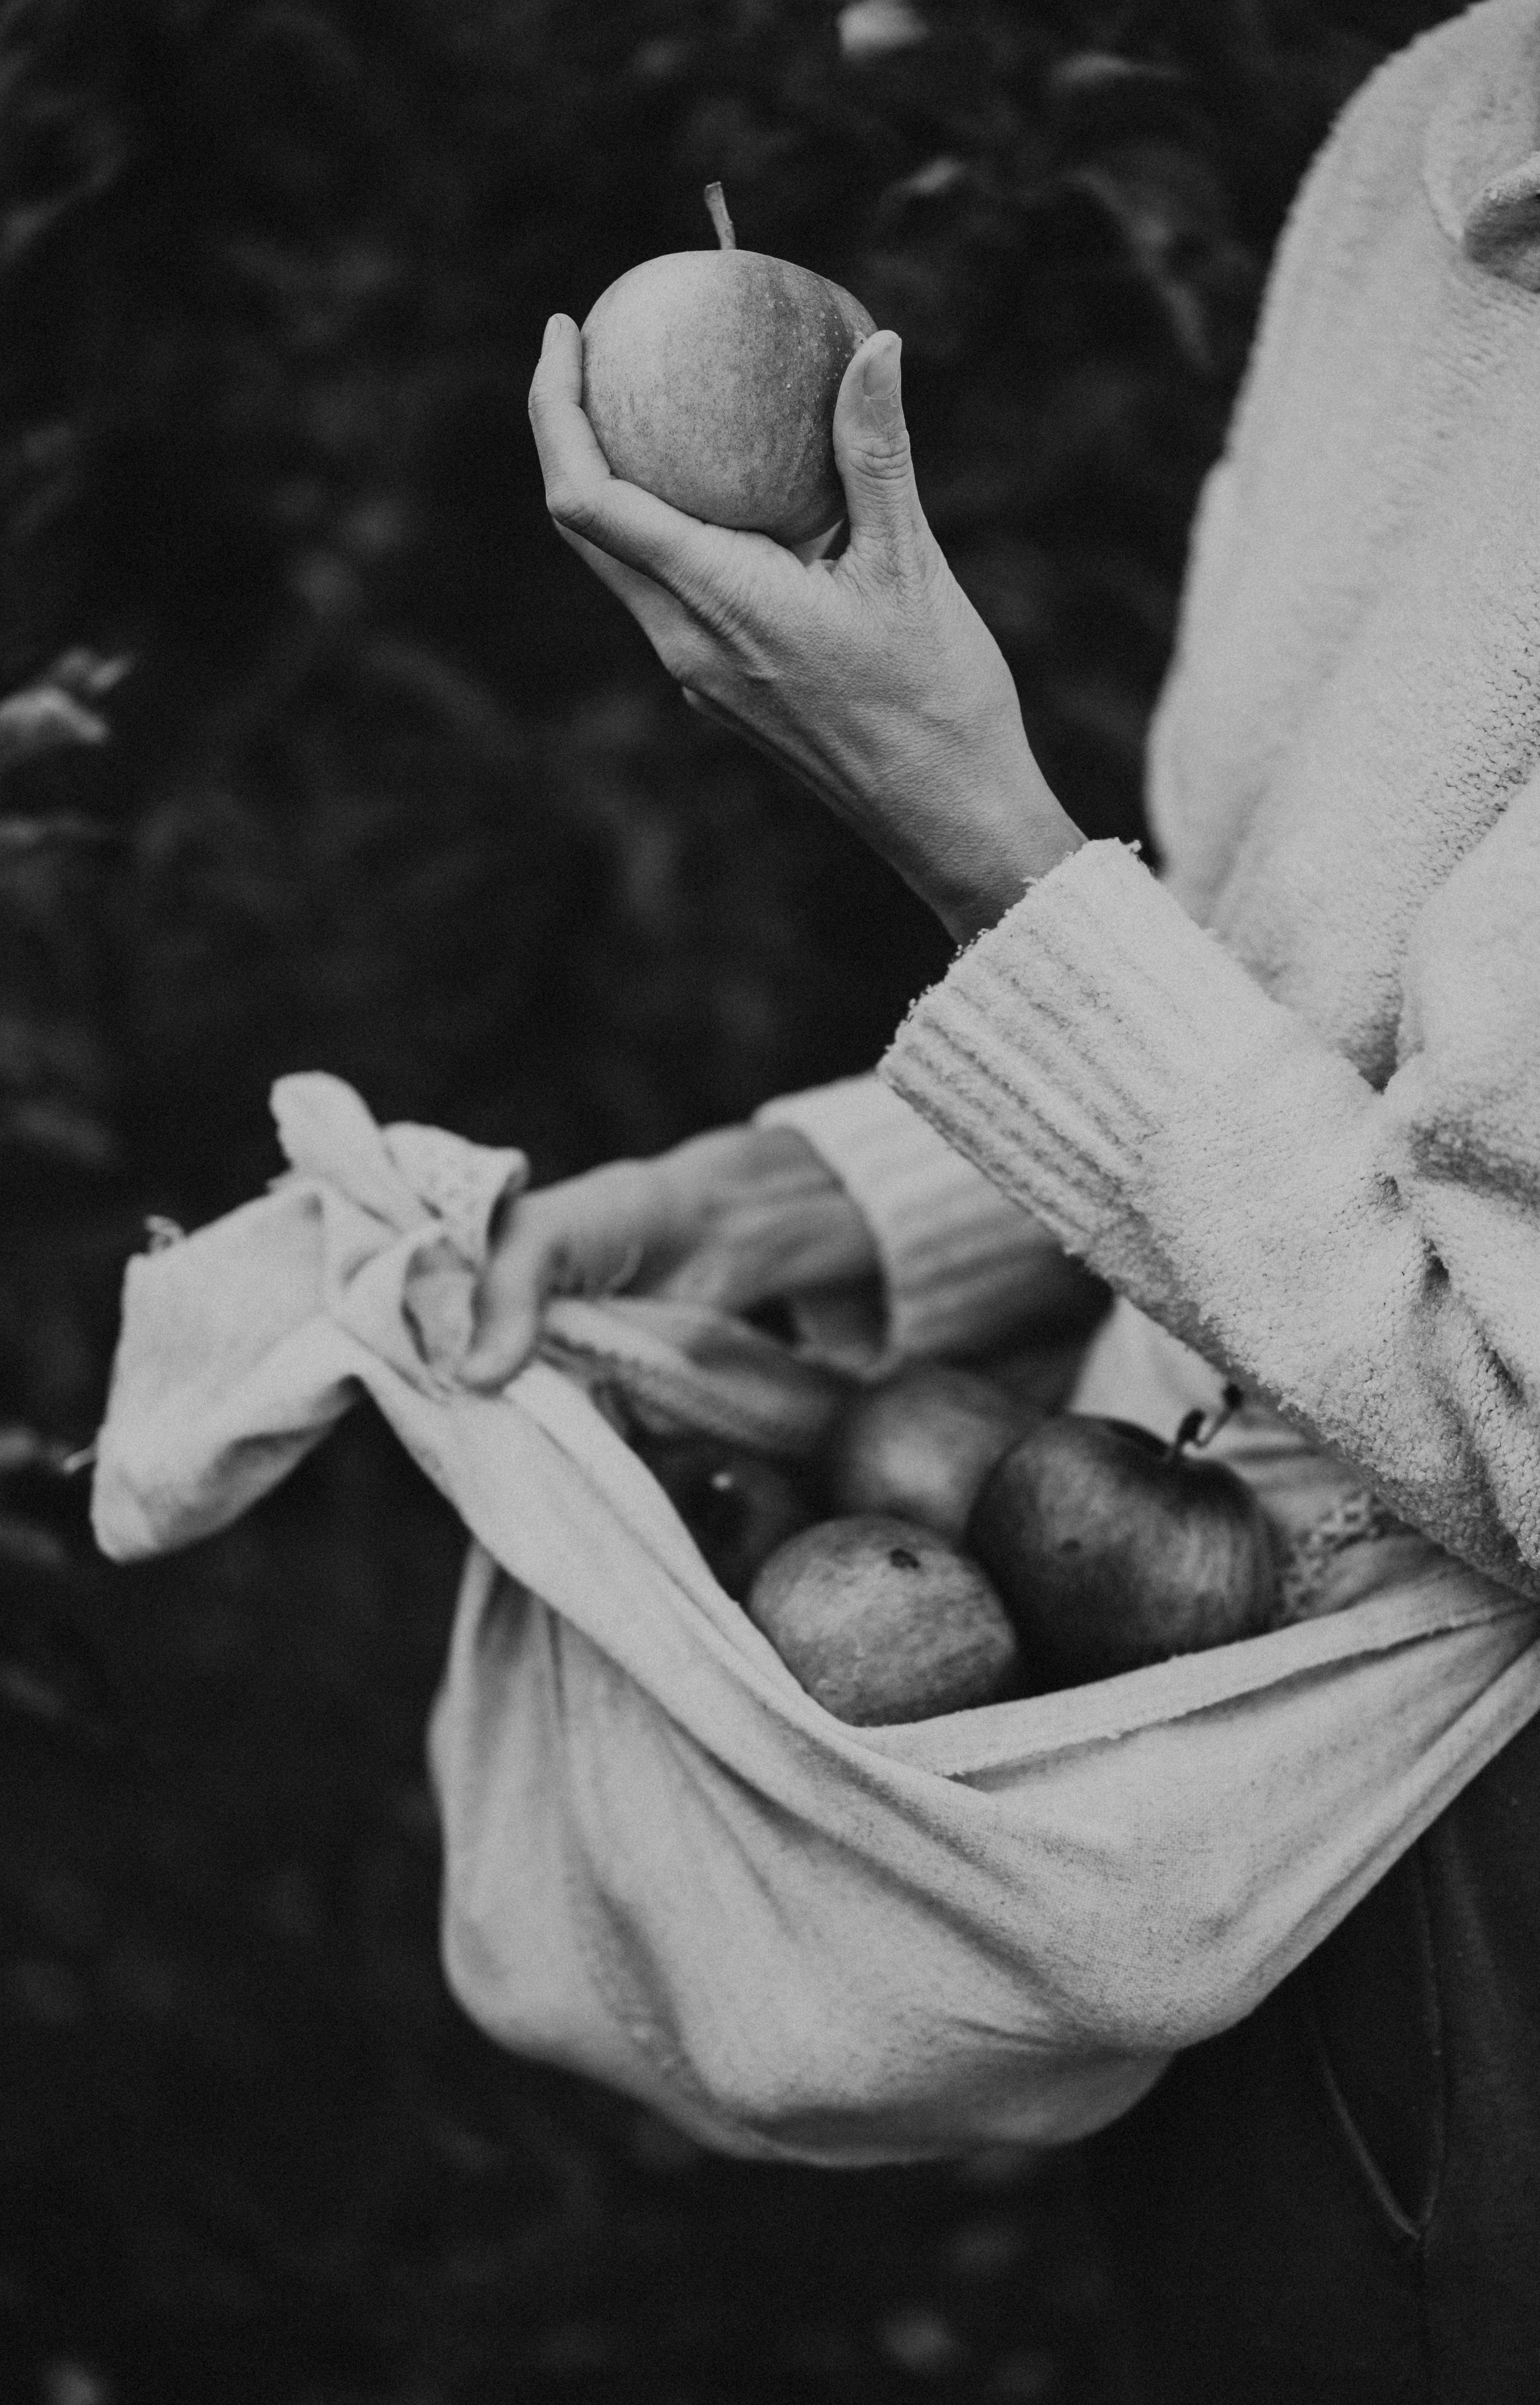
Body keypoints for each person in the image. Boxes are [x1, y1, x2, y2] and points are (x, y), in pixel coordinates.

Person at [505, 2, 1540, 2396]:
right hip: (1194, 1759)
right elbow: (1346, 942)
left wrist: (968, 830)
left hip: (1474, 1864)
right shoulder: (1436, 142)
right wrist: (848, 1195)